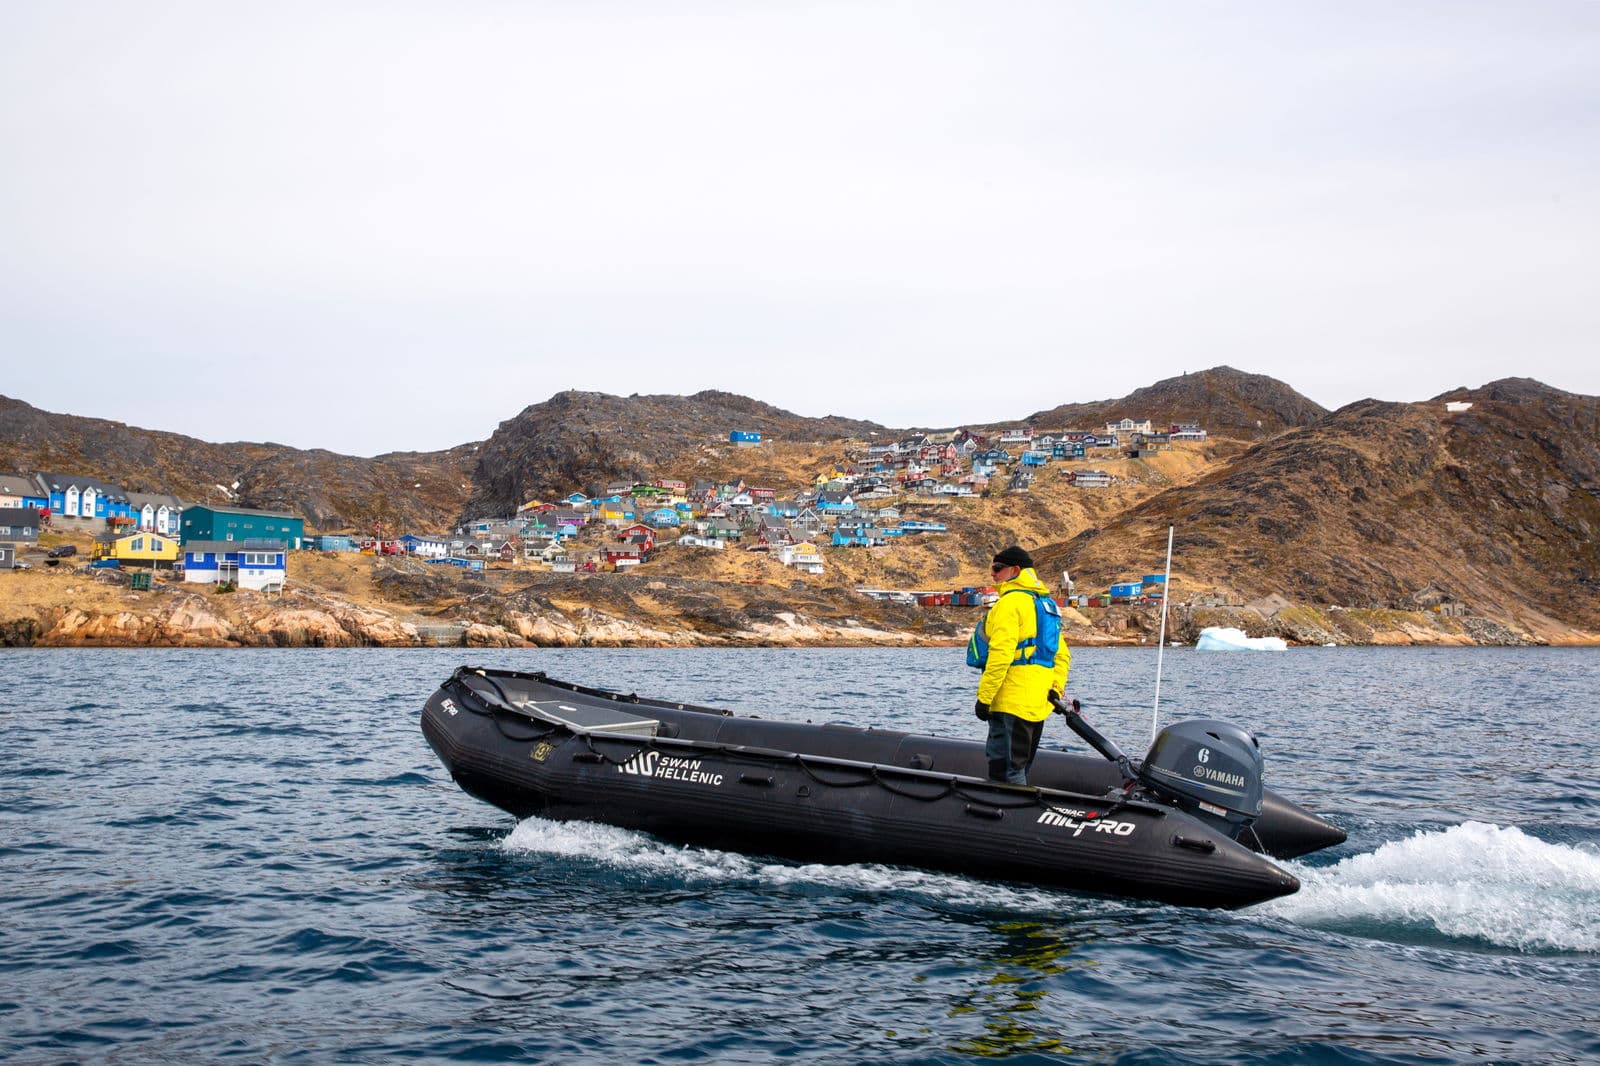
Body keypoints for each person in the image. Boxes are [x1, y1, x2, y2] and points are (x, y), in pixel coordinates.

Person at [973, 545, 1070, 785]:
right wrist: (1055, 689)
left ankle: (1004, 807)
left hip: (1010, 702)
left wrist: (984, 698)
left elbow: (1001, 655)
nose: (992, 574)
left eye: (998, 568)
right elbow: (1062, 656)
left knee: (1005, 771)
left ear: (1015, 570)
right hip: (1037, 704)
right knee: (1020, 767)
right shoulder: (1046, 606)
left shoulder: (1009, 604)